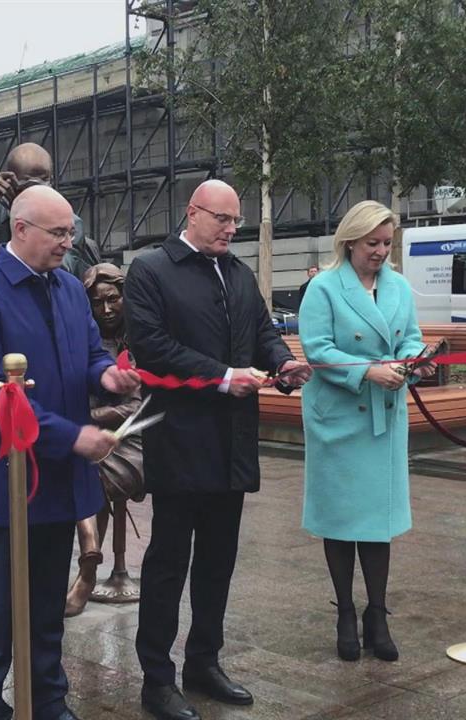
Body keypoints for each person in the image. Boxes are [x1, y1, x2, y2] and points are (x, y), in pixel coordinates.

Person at [0, 185, 141, 720]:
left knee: (48, 597)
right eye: (58, 233)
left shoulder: (67, 288)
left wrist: (110, 376)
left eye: (70, 231)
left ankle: (50, 697)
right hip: (11, 475)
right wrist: (72, 436)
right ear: (20, 229)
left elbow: (85, 358)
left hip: (59, 473)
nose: (68, 242)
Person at [125, 179, 312, 720]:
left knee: (218, 560)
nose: (232, 229)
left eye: (237, 222)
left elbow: (261, 331)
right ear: (193, 213)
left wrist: (282, 363)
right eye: (222, 219)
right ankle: (156, 679)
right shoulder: (152, 270)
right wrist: (221, 374)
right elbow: (151, 346)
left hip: (231, 441)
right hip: (179, 440)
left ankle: (204, 661)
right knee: (168, 563)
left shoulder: (237, 272)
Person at [299, 201, 435, 664]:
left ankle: (377, 612)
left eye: (386, 244)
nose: (380, 251)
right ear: (350, 242)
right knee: (341, 520)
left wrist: (413, 362)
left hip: (384, 417)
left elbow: (412, 337)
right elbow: (317, 348)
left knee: (378, 524)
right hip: (340, 417)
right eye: (372, 243)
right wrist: (369, 370)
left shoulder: (398, 286)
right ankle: (345, 612)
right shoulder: (323, 288)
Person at [64, 263, 145, 617]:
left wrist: (89, 419)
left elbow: (136, 405)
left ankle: (87, 566)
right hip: (93, 437)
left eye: (113, 299)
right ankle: (86, 555)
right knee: (73, 459)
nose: (107, 309)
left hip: (134, 439)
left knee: (90, 470)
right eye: (98, 303)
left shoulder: (140, 339)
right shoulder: (81, 338)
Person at [0, 142, 100, 277]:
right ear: (9, 181)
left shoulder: (69, 223)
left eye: (44, 181)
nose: (36, 191)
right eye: (27, 184)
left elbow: (58, 271)